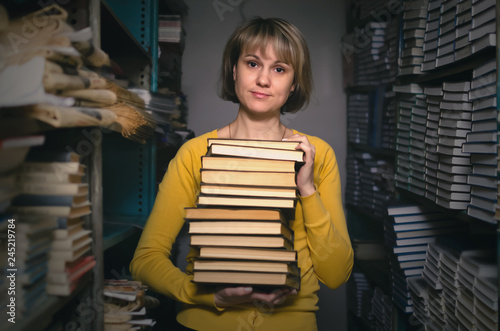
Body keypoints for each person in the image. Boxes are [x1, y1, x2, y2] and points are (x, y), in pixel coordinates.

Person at [130, 17, 353, 331]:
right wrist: (207, 297)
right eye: (252, 63)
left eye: (279, 69)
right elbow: (145, 259)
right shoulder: (194, 153)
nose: (263, 79)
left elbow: (336, 274)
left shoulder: (317, 155)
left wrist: (307, 189)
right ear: (234, 70)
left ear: (294, 83)